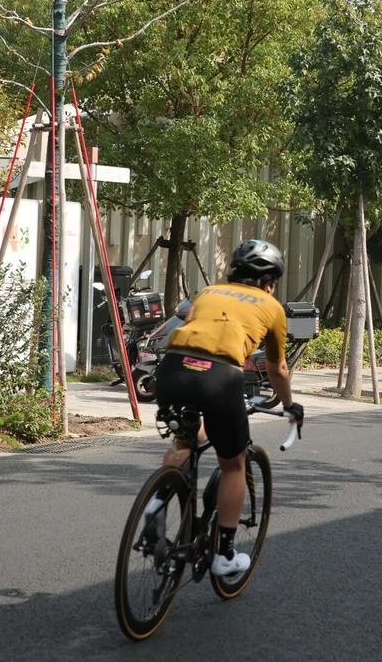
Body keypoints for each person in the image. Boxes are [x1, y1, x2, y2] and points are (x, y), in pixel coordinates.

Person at [150, 238, 304, 577]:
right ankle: (225, 554)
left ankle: (157, 502)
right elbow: (277, 368)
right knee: (233, 464)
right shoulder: (272, 306)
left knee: (186, 439)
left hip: (172, 371)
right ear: (270, 281)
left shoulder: (207, 292)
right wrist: (289, 405)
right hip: (219, 379)